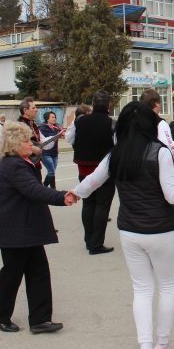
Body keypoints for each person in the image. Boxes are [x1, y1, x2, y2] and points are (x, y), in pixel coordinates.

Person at [73, 102, 174, 349]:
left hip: (129, 230)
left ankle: (146, 347)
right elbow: (172, 195)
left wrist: (73, 194)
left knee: (142, 289)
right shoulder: (159, 152)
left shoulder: (115, 153)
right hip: (161, 229)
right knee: (167, 287)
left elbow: (91, 181)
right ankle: (162, 344)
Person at [0, 121, 78, 334]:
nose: (30, 143)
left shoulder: (18, 162)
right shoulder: (14, 165)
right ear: (14, 144)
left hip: (25, 228)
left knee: (38, 272)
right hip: (15, 230)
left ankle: (40, 320)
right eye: (25, 140)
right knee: (11, 275)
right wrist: (62, 197)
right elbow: (34, 190)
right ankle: (1, 317)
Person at [139, 89, 174, 269]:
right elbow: (169, 146)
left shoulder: (133, 122)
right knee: (169, 216)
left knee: (147, 216)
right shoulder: (160, 123)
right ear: (156, 104)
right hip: (161, 173)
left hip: (140, 175)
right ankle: (173, 257)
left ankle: (150, 257)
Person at [72, 91, 116, 254]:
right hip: (103, 172)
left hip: (84, 169)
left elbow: (70, 139)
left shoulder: (80, 121)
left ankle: (89, 239)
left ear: (93, 104)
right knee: (102, 206)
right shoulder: (111, 123)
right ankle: (96, 244)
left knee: (88, 203)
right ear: (108, 106)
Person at [38, 111, 65, 189]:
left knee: (51, 172)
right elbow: (47, 139)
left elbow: (61, 135)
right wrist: (59, 134)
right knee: (51, 172)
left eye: (55, 117)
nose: (54, 119)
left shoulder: (56, 126)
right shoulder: (42, 127)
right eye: (52, 117)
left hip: (54, 153)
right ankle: (48, 188)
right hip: (45, 153)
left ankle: (48, 188)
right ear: (47, 118)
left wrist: (62, 134)